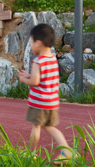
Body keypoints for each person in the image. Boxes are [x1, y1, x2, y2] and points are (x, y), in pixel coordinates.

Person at [18, 23, 72, 162]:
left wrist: (25, 79)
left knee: (36, 127)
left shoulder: (38, 61)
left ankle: (31, 153)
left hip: (39, 103)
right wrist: (30, 76)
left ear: (39, 43)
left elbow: (36, 81)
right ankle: (67, 151)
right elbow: (44, 79)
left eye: (31, 42)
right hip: (52, 102)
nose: (30, 45)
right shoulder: (52, 59)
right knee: (50, 127)